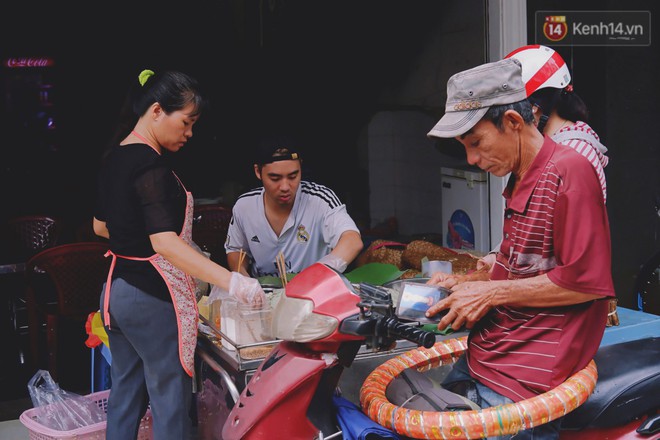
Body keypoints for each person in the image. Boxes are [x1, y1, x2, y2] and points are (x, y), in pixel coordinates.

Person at [425, 58, 615, 439]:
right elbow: (525, 267)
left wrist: (491, 291)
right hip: (491, 352)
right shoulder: (520, 174)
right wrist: (471, 281)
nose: (472, 160)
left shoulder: (569, 171)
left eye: (476, 143)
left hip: (527, 375)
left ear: (513, 121)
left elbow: (585, 284)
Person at [93, 69, 266, 440]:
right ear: (157, 111)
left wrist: (147, 240)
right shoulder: (149, 166)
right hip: (151, 296)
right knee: (169, 396)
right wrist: (233, 281)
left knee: (126, 391)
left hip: (116, 293)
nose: (189, 133)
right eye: (186, 122)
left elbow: (100, 226)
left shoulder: (114, 158)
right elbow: (164, 243)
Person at [459, 45, 610, 278]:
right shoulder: (536, 150)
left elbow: (574, 266)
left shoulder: (576, 155)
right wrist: (498, 257)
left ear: (540, 107)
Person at [224, 136, 364, 279]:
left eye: (293, 176)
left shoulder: (321, 200)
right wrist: (244, 280)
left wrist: (320, 272)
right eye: (275, 178)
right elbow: (236, 250)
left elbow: (352, 240)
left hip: (313, 293)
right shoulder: (244, 206)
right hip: (263, 293)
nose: (285, 187)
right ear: (258, 172)